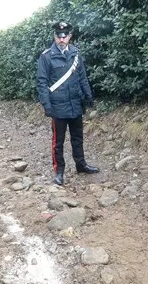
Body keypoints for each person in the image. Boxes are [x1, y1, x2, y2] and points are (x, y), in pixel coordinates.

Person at [36, 21, 100, 185]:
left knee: (77, 138)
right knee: (58, 142)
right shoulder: (46, 56)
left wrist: (88, 96)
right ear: (55, 36)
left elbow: (82, 77)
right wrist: (46, 104)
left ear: (70, 36)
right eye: (59, 36)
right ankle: (59, 172)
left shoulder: (76, 54)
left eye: (65, 36)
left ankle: (81, 164)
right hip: (57, 107)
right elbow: (42, 83)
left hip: (75, 104)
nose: (62, 39)